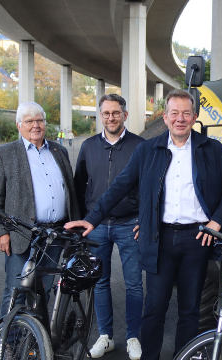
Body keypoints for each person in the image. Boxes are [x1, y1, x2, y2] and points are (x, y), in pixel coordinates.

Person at [66, 89, 222, 360]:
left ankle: (184, 356)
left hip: (197, 239)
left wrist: (217, 222)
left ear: (194, 117)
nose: (180, 118)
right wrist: (92, 219)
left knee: (190, 309)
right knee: (154, 308)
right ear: (165, 117)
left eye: (186, 113)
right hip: (159, 239)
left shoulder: (212, 149)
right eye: (174, 113)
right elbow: (119, 187)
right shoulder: (148, 150)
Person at [0, 101, 81, 316]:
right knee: (16, 290)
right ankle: (8, 344)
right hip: (22, 232)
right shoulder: (6, 153)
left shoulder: (59, 151)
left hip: (55, 235)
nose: (35, 125)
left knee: (43, 290)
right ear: (19, 125)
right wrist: (1, 233)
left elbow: (70, 191)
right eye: (29, 121)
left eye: (39, 120)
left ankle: (35, 344)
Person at [73, 94, 145, 359]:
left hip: (130, 223)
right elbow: (79, 185)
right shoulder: (88, 146)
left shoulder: (140, 145)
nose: (111, 118)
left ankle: (133, 337)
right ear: (100, 116)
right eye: (106, 113)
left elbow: (150, 187)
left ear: (125, 115)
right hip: (97, 226)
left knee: (134, 284)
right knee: (99, 282)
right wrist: (83, 220)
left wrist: (145, 220)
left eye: (116, 113)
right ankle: (105, 336)